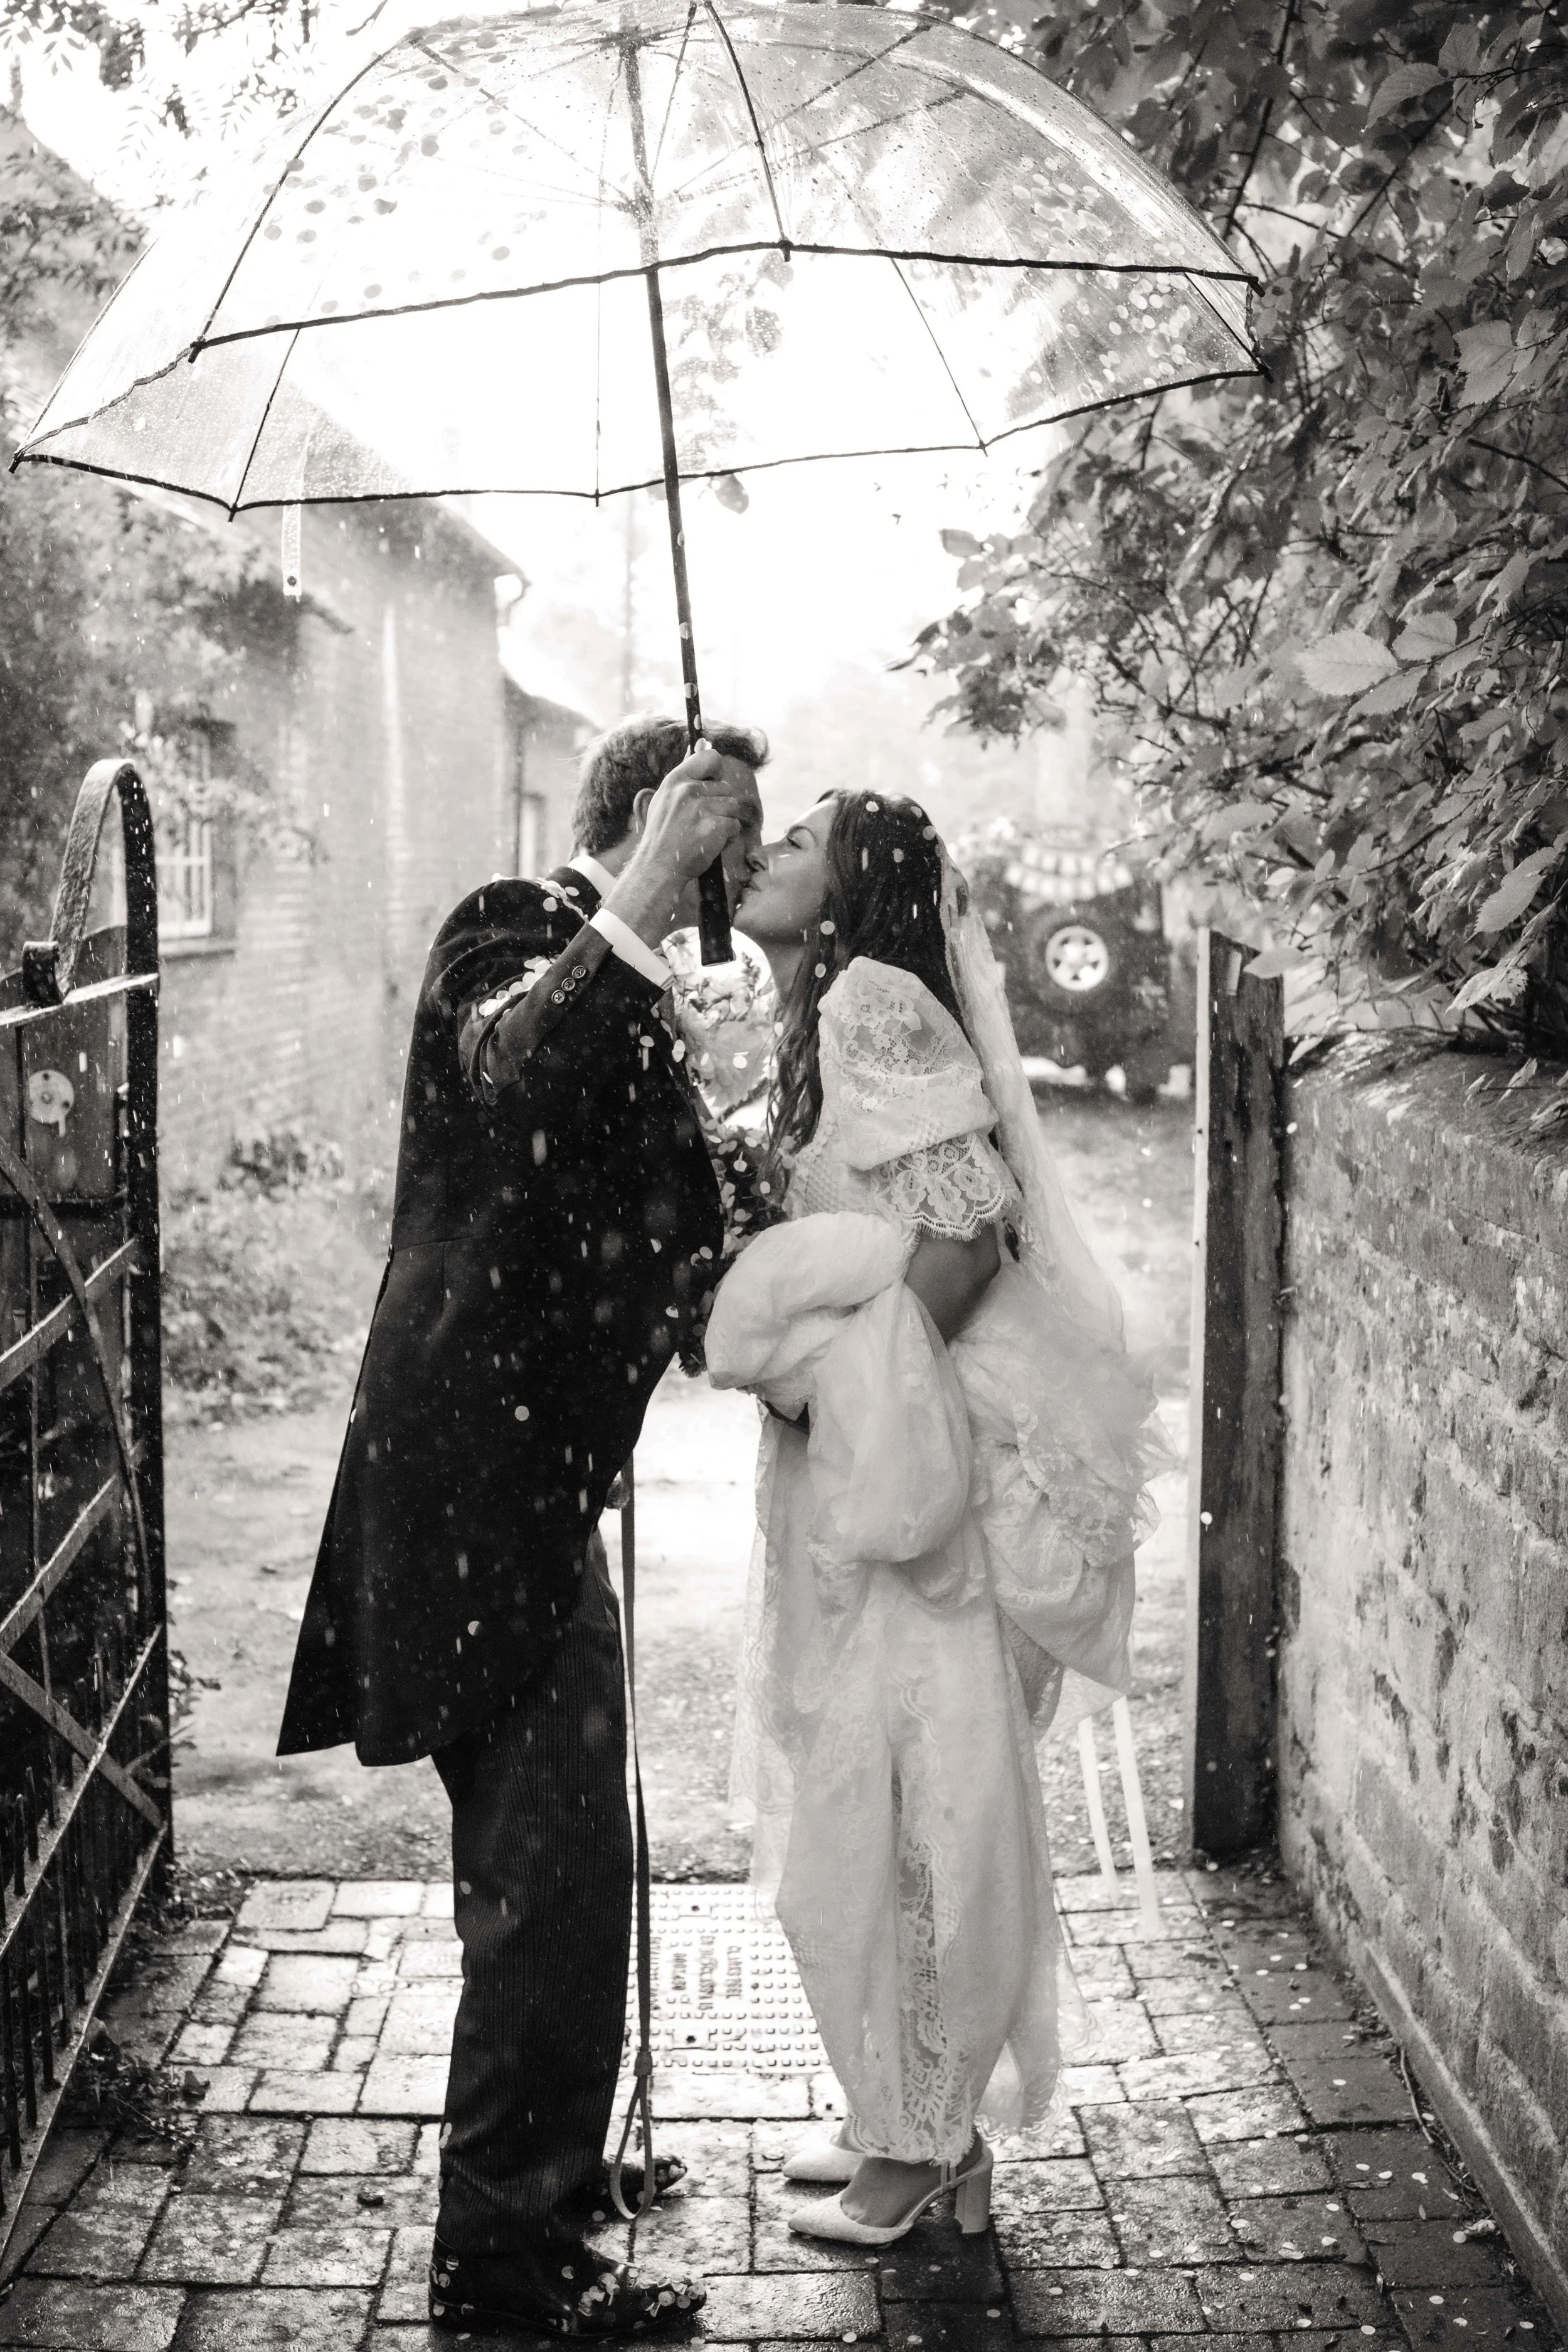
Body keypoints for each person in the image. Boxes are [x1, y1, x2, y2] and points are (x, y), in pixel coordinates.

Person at [277, 718, 767, 2337]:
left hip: (538, 1498)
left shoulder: (631, 990)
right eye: (724, 845)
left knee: (581, 1860)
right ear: (646, 824)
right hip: (466, 1492)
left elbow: (677, 1266)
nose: (735, 881)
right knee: (541, 1883)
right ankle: (501, 2268)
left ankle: (552, 2182)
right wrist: (647, 887)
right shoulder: (505, 928)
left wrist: (734, 1147)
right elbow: (509, 1073)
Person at [706, 790, 1163, 2245]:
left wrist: (835, 1382)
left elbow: (966, 1234)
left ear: (853, 893)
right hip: (891, 1446)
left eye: (804, 839)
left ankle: (925, 2141)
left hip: (930, 1470)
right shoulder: (824, 1005)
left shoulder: (866, 997)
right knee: (876, 1783)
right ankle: (902, 2112)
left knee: (924, 1800)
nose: (772, 848)